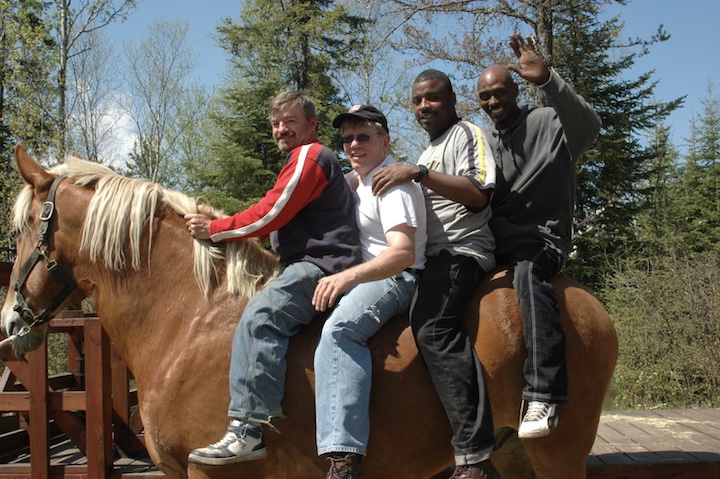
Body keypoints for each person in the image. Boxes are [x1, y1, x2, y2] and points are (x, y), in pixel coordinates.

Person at [184, 90, 361, 466]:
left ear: (311, 125)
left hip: (321, 266)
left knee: (262, 315)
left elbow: (270, 213)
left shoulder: (308, 156)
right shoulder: (305, 158)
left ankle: (248, 429)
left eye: (290, 122)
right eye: (276, 123)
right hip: (308, 260)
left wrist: (214, 229)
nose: (282, 130)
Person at [372, 70, 498, 479]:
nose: (424, 107)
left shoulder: (466, 135)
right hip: (429, 258)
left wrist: (418, 174)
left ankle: (475, 454)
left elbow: (479, 194)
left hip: (461, 252)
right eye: (417, 101)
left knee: (433, 329)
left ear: (452, 99)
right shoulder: (429, 152)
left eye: (432, 99)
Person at [477, 33, 602, 439]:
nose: (493, 102)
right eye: (484, 97)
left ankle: (543, 393)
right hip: (493, 246)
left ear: (515, 90)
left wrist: (547, 79)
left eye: (500, 93)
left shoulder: (548, 123)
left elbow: (590, 124)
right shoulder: (484, 141)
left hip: (540, 243)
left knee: (530, 275)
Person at [314, 104, 427, 479]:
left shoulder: (391, 184)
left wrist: (347, 278)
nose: (353, 144)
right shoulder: (358, 180)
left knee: (339, 331)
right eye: (347, 138)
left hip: (399, 278)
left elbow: (402, 253)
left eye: (364, 136)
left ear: (385, 140)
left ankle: (345, 457)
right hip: (371, 276)